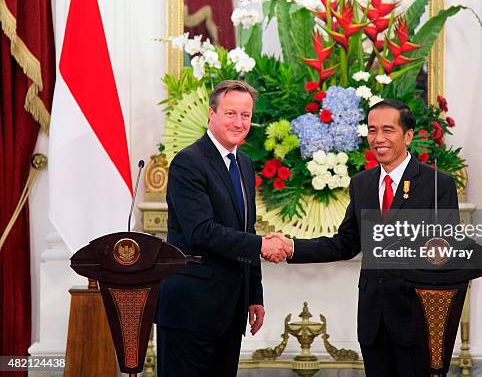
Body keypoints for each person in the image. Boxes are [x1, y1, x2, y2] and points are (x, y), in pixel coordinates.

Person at [263, 99, 459, 377]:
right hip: (373, 320)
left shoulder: (437, 184)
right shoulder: (362, 184)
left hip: (416, 323)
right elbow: (345, 243)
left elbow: (446, 258)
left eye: (388, 130)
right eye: (372, 130)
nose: (378, 139)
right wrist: (291, 246)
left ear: (408, 135)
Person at [155, 80, 288, 376]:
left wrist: (254, 294)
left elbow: (246, 228)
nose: (239, 122)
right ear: (211, 114)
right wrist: (261, 247)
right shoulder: (188, 162)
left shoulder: (243, 163)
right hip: (190, 309)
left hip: (230, 309)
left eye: (246, 115)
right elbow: (201, 231)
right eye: (230, 114)